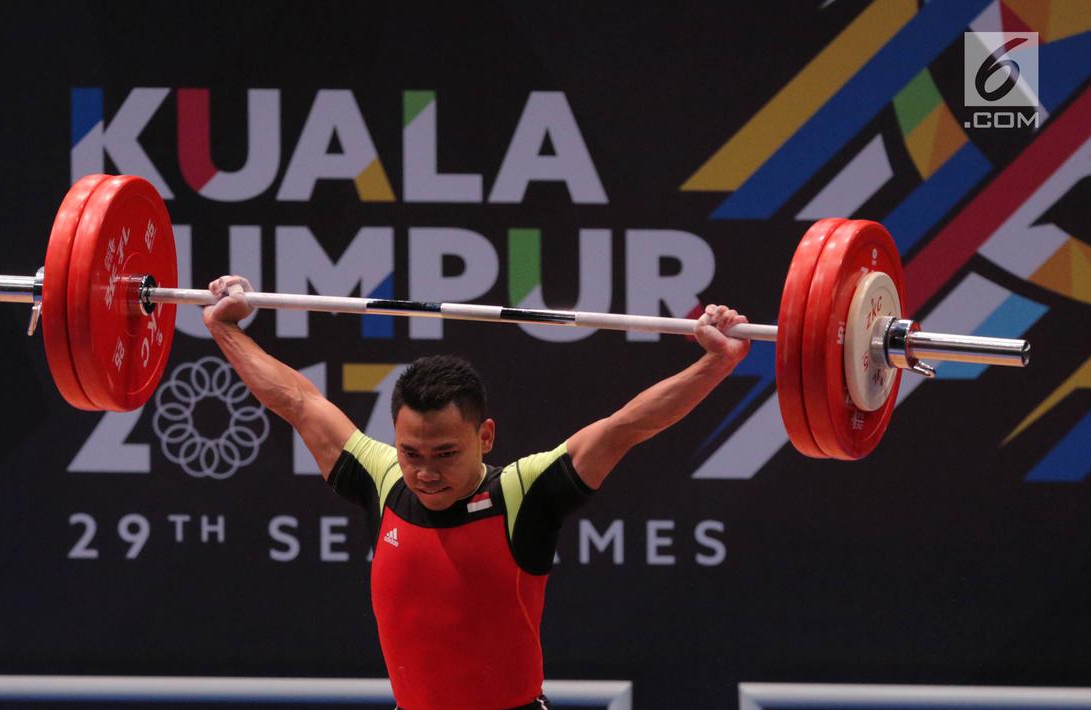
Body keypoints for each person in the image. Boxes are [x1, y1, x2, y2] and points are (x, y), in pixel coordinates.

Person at [203, 275, 751, 710]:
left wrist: (716, 362)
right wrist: (226, 328)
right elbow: (297, 401)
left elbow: (626, 425)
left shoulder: (523, 493)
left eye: (444, 454)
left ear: (484, 436)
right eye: (412, 453)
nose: (424, 472)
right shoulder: (382, 476)